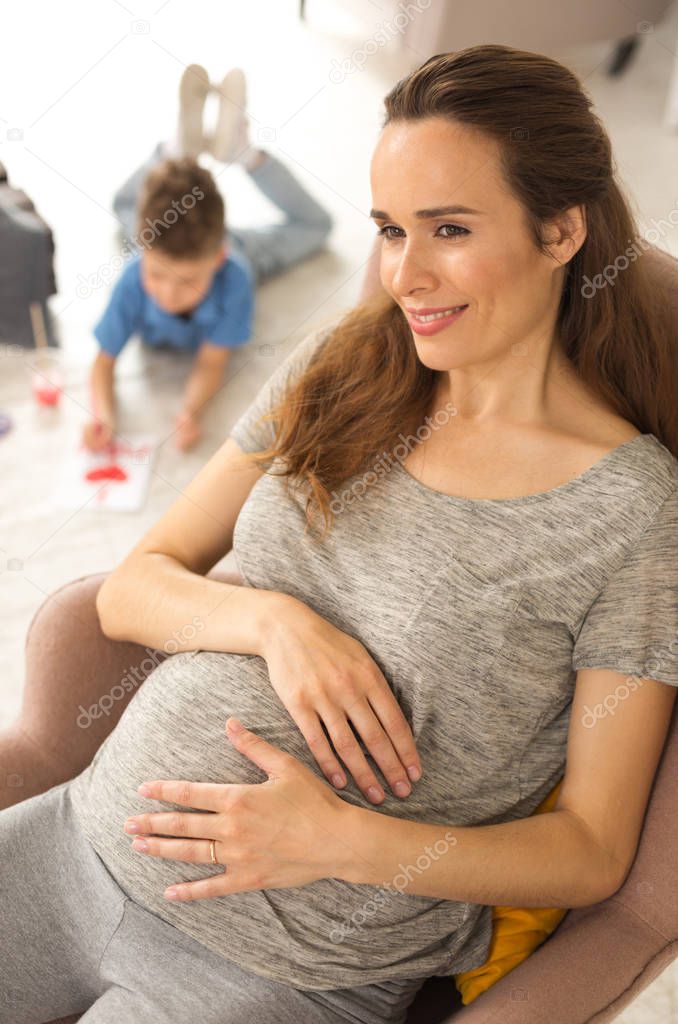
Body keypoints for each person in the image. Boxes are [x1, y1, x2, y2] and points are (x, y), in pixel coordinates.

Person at [2, 43, 678, 1024]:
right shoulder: (349, 360)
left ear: (563, 230)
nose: (406, 274)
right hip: (79, 844)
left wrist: (338, 839)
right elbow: (132, 587)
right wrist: (277, 624)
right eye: (391, 229)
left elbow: (595, 850)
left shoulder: (632, 514)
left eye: (448, 228)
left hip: (287, 971)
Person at [83, 65, 333, 453]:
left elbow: (211, 363)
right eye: (158, 277)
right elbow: (103, 363)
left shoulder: (235, 280)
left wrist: (190, 409)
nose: (167, 295)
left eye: (186, 282)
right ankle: (176, 154)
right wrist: (102, 414)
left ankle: (243, 153)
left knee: (317, 226)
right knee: (125, 210)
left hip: (239, 246)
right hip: (160, 239)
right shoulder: (136, 272)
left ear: (217, 261)